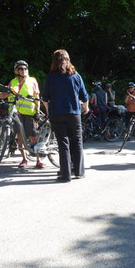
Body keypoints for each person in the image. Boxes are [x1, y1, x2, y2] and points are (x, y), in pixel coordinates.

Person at [42, 49, 89, 182]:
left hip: (56, 113)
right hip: (73, 113)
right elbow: (84, 96)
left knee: (63, 143)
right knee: (77, 141)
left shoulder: (51, 76)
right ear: (68, 60)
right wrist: (86, 108)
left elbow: (45, 98)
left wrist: (47, 110)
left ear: (54, 61)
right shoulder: (76, 76)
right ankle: (79, 172)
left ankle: (65, 175)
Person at [0, 60, 43, 169]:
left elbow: (37, 97)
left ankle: (38, 159)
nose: (23, 70)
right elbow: (5, 94)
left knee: (32, 136)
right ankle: (24, 158)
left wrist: (37, 111)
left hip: (29, 113)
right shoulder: (13, 82)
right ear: (16, 71)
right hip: (16, 113)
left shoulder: (32, 81)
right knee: (19, 136)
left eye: (25, 68)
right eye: (21, 69)